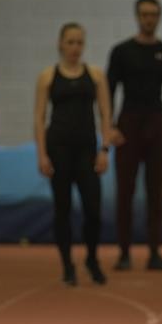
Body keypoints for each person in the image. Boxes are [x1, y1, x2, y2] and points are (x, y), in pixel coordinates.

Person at [107, 0, 162, 272]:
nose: (148, 19)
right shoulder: (121, 52)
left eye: (153, 14)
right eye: (144, 14)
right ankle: (124, 253)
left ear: (159, 17)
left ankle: (154, 252)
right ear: (137, 16)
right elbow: (108, 90)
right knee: (125, 192)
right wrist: (108, 127)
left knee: (156, 193)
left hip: (156, 124)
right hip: (128, 124)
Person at [34, 23, 113, 286]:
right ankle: (67, 264)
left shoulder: (96, 75)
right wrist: (42, 155)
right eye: (70, 42)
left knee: (93, 209)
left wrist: (104, 149)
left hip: (87, 151)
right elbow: (39, 118)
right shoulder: (48, 76)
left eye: (79, 42)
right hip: (59, 149)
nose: (74, 48)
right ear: (60, 44)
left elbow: (105, 114)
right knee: (62, 209)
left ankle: (91, 258)